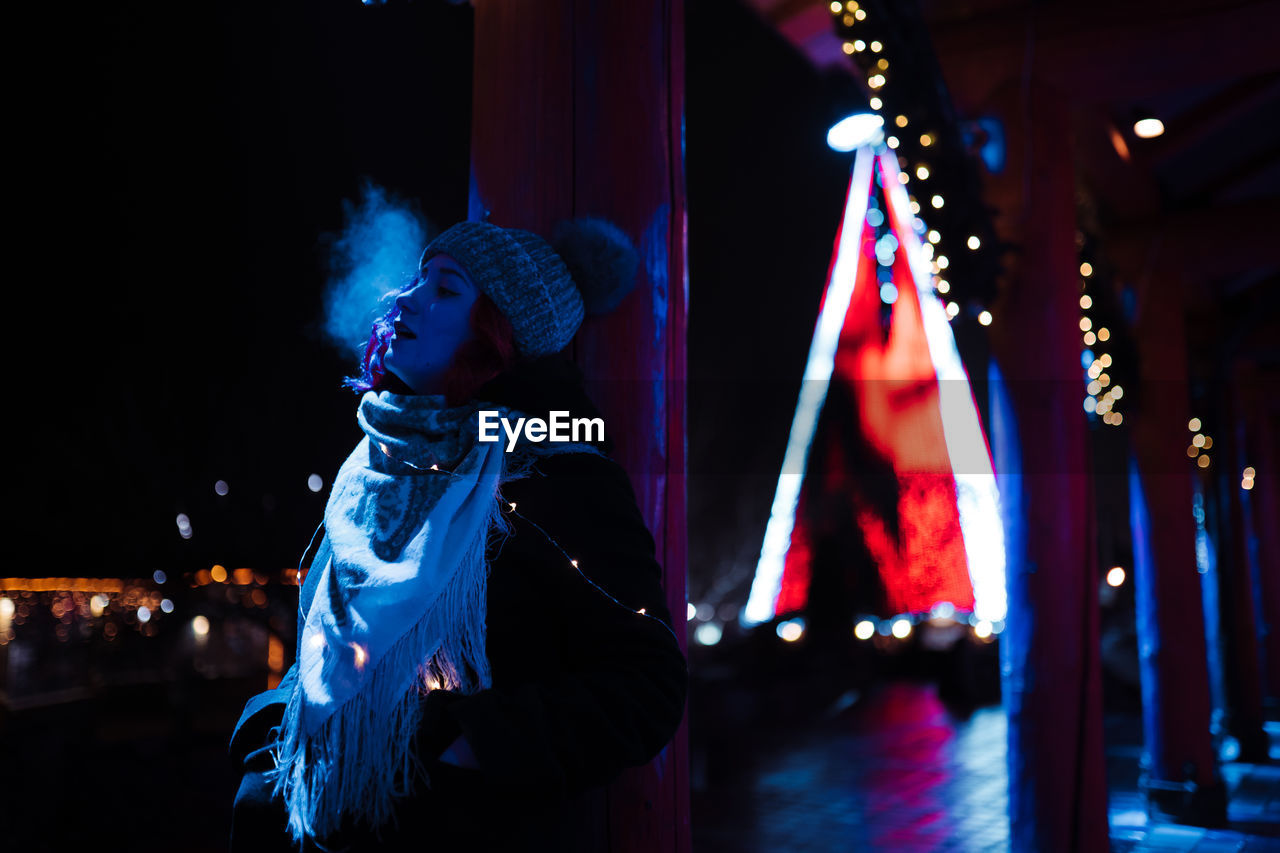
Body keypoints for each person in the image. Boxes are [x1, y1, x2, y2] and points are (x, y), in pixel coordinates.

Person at [228, 218, 688, 852]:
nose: (406, 299)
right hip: (313, 826)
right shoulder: (374, 467)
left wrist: (457, 745)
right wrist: (272, 735)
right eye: (419, 279)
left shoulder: (552, 470)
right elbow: (325, 654)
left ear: (498, 336)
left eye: (445, 289)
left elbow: (647, 683)